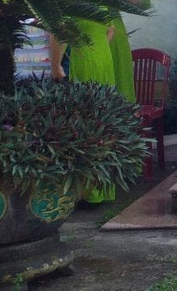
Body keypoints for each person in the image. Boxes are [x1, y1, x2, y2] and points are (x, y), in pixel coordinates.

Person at [49, 13, 135, 203]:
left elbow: (58, 35)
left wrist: (56, 65)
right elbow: (110, 30)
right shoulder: (101, 3)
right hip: (104, 59)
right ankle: (103, 189)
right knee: (103, 121)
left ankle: (85, 192)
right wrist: (99, 46)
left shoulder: (70, 3)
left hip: (82, 60)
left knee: (81, 121)